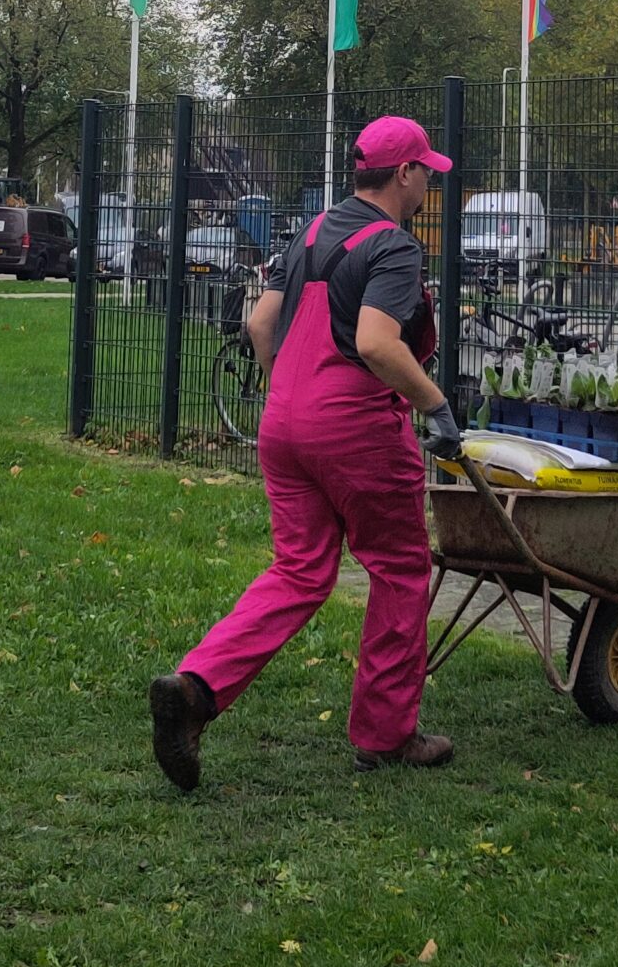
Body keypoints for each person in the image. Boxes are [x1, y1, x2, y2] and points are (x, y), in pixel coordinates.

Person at [149, 116, 466, 789]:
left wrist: (285, 391)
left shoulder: (313, 231)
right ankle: (386, 737)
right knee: (402, 568)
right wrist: (436, 407)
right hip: (354, 426)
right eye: (425, 173)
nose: (429, 184)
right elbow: (380, 344)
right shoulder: (395, 248)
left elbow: (259, 323)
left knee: (298, 570)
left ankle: (197, 689)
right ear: (404, 173)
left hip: (284, 420)